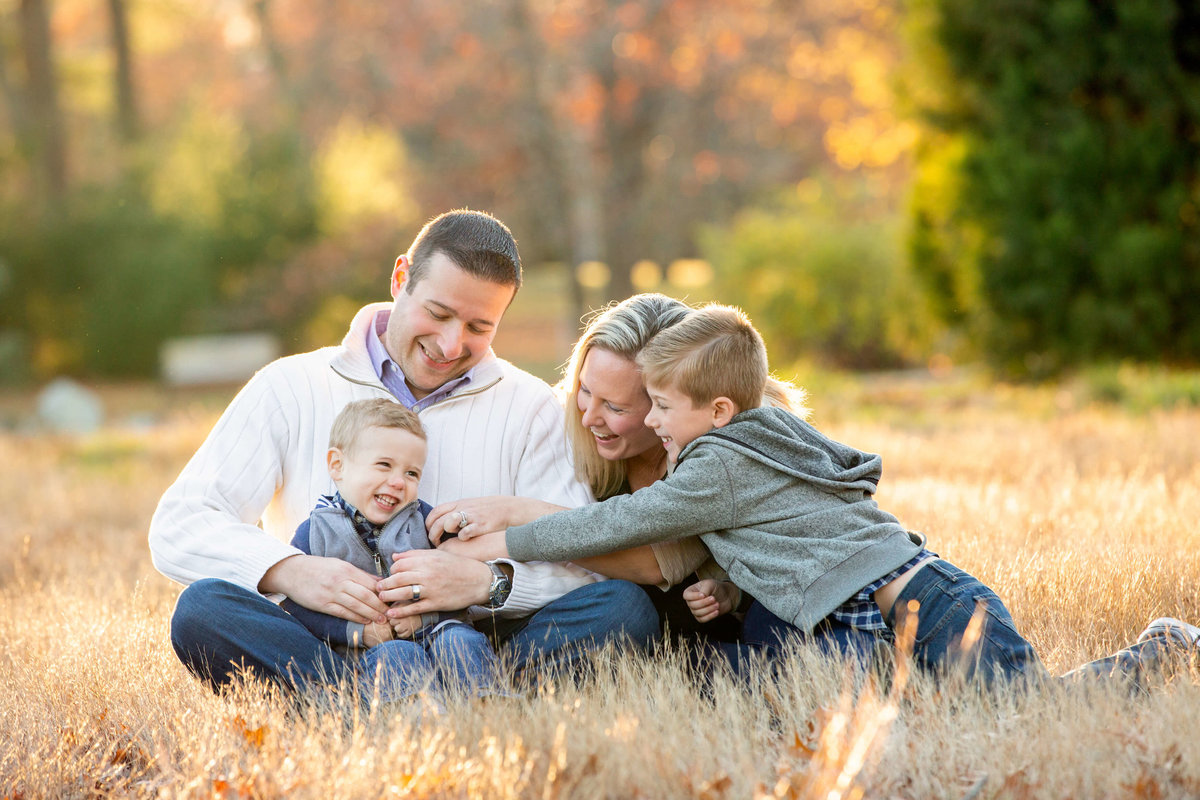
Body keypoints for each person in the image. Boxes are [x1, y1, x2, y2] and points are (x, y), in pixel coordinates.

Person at [447, 304, 1200, 685]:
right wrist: (725, 588)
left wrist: (511, 531)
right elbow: (768, 544)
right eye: (595, 396)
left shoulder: (718, 460)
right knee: (897, 708)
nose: (624, 418)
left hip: (912, 599)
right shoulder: (714, 442)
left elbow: (638, 527)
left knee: (1026, 708)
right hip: (854, 617)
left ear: (710, 404)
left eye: (646, 403)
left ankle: (1158, 651)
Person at [150, 209, 658, 695]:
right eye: (437, 313)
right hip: (326, 641)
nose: (450, 343)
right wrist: (292, 571)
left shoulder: (531, 407)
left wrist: (486, 583)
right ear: (400, 279)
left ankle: (470, 693)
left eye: (480, 328)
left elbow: (584, 561)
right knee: (202, 609)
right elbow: (181, 523)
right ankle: (360, 696)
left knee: (623, 608)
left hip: (475, 642)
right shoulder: (291, 385)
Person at [426, 293, 745, 645]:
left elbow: (656, 563)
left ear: (665, 401)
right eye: (585, 389)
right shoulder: (566, 430)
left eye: (614, 407)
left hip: (724, 630)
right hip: (627, 632)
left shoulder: (715, 448)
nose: (589, 417)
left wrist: (515, 514)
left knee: (627, 608)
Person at [280, 398, 503, 701]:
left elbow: (456, 584)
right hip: (369, 652)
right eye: (384, 465)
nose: (399, 482)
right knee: (398, 655)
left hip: (436, 631)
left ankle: (485, 704)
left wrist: (424, 619)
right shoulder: (314, 533)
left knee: (461, 640)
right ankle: (416, 716)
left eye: (412, 473)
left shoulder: (427, 522)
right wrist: (359, 633)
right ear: (337, 465)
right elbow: (297, 609)